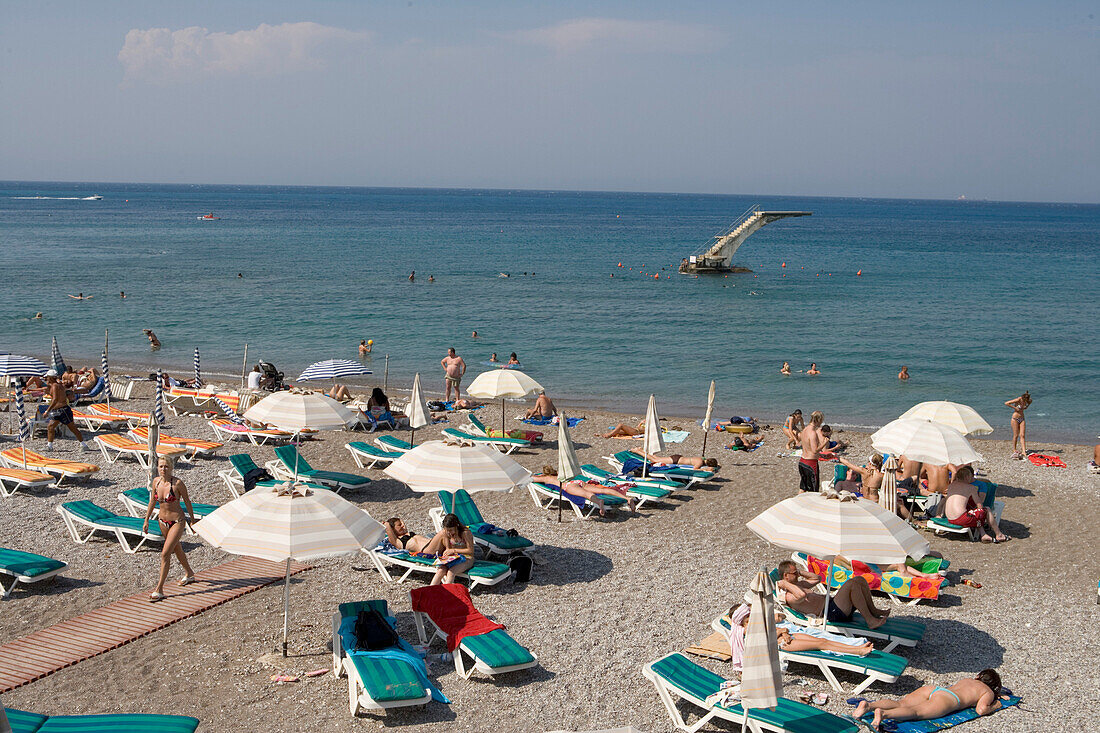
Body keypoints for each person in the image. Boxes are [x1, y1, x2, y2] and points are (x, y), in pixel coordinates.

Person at [726, 605, 873, 670]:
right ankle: (856, 651)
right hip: (783, 644)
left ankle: (856, 648)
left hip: (788, 636)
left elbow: (779, 628)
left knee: (824, 641)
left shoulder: (756, 621)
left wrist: (783, 631)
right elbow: (764, 640)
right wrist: (781, 632)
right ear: (742, 618)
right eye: (748, 615)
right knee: (822, 644)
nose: (752, 614)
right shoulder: (746, 630)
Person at [854, 669, 1004, 730]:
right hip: (950, 700)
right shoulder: (987, 691)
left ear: (978, 676)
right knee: (915, 712)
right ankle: (884, 714)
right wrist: (996, 704)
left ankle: (869, 705)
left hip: (936, 689)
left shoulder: (968, 679)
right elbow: (981, 709)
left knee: (902, 703)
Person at [777, 559, 891, 629]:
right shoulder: (788, 596)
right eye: (794, 573)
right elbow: (801, 595)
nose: (797, 575)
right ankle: (870, 621)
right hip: (832, 613)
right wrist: (785, 584)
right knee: (852, 584)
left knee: (860, 580)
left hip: (834, 606)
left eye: (797, 572)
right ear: (786, 576)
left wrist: (799, 572)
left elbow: (817, 578)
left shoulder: (799, 585)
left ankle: (873, 611)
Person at [143, 457, 197, 601]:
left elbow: (187, 501)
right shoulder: (156, 481)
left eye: (166, 466)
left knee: (165, 553)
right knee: (176, 548)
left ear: (171, 467)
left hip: (177, 521)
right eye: (161, 466)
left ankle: (159, 589)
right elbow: (152, 501)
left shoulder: (178, 484)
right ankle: (189, 573)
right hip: (162, 521)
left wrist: (192, 520)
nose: (163, 469)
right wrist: (146, 519)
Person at [532, 468, 636, 515]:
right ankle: (627, 498)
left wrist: (537, 476)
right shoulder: (559, 473)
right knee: (603, 490)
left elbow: (532, 479)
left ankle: (599, 502)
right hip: (578, 481)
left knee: (586, 494)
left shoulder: (546, 478)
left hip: (569, 486)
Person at [942, 466, 1007, 542]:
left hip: (950, 518)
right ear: (966, 477)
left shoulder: (951, 485)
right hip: (961, 519)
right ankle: (999, 534)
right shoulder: (971, 487)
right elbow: (980, 505)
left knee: (974, 513)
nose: (972, 479)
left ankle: (983, 535)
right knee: (985, 510)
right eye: (971, 477)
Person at [41, 370, 92, 451]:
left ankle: (84, 445)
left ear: (50, 378)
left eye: (48, 377)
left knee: (73, 428)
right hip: (58, 410)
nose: (46, 378)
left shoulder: (55, 386)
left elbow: (55, 399)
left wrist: (47, 411)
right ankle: (49, 446)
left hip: (63, 410)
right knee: (50, 427)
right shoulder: (57, 385)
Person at [431, 514, 475, 585]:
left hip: (467, 558)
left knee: (451, 572)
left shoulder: (465, 533)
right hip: (454, 558)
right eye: (447, 530)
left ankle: (447, 594)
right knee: (440, 571)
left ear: (456, 526)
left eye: (451, 530)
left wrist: (453, 550)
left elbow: (470, 551)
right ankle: (429, 592)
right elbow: (448, 549)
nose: (449, 532)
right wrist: (446, 554)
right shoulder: (446, 533)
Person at [798, 411, 826, 492]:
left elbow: (808, 447)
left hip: (802, 462)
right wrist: (824, 443)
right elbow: (814, 450)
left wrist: (820, 455)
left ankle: (798, 502)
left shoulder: (805, 430)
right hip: (810, 464)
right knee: (813, 491)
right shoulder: (813, 433)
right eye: (821, 421)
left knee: (803, 488)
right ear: (818, 420)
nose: (821, 423)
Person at [633, 450, 719, 471]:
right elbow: (695, 469)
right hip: (676, 461)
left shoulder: (701, 459)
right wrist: (705, 469)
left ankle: (641, 450)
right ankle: (637, 451)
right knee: (654, 460)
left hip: (678, 458)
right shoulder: (699, 462)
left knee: (656, 458)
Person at [1004, 391, 1031, 459]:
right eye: (1025, 400)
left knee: (1022, 435)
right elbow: (1006, 403)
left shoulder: (1028, 401)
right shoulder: (1018, 399)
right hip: (1015, 419)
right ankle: (1014, 449)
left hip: (1022, 419)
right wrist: (1015, 408)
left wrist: (1027, 406)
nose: (1025, 401)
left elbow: (1029, 403)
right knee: (1016, 435)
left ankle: (1024, 451)